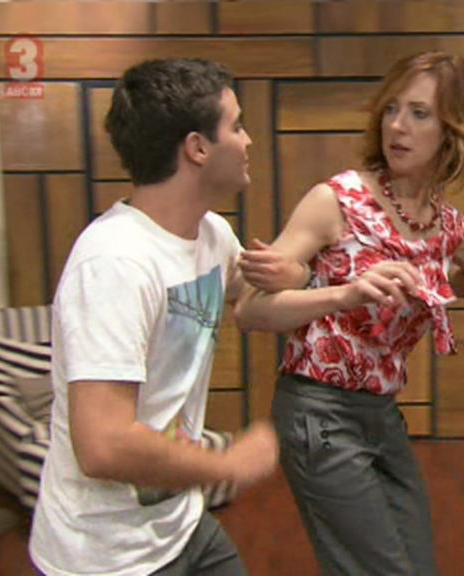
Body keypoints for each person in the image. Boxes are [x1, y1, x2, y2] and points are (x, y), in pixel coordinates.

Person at [233, 50, 464, 576]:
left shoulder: (447, 226)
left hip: (381, 415)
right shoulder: (337, 200)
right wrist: (344, 294)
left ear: (453, 132)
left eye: (420, 114)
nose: (397, 126)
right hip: (319, 411)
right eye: (392, 109)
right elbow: (250, 311)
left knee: (417, 564)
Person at [28, 58, 303, 576]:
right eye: (237, 126)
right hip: (106, 558)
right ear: (198, 148)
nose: (248, 140)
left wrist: (306, 278)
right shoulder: (114, 263)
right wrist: (227, 464)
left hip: (181, 524)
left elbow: (254, 305)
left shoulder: (212, 235)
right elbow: (104, 445)